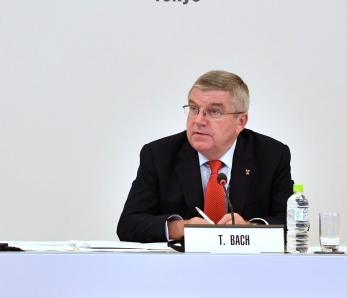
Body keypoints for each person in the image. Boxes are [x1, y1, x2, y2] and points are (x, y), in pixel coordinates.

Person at [117, 70, 293, 243]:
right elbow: (128, 224)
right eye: (194, 109)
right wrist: (180, 227)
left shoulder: (271, 156)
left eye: (214, 111)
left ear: (240, 122)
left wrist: (249, 229)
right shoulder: (159, 155)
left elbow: (293, 223)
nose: (199, 120)